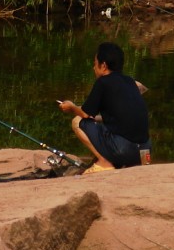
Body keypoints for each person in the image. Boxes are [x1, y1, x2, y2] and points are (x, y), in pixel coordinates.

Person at [58, 42, 151, 175]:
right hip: (145, 152)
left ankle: (104, 162)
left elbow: (85, 114)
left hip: (123, 150)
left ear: (104, 65)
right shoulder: (130, 81)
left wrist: (72, 107)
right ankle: (114, 160)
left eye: (95, 63)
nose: (93, 67)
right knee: (102, 124)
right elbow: (117, 116)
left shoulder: (103, 82)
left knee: (77, 122)